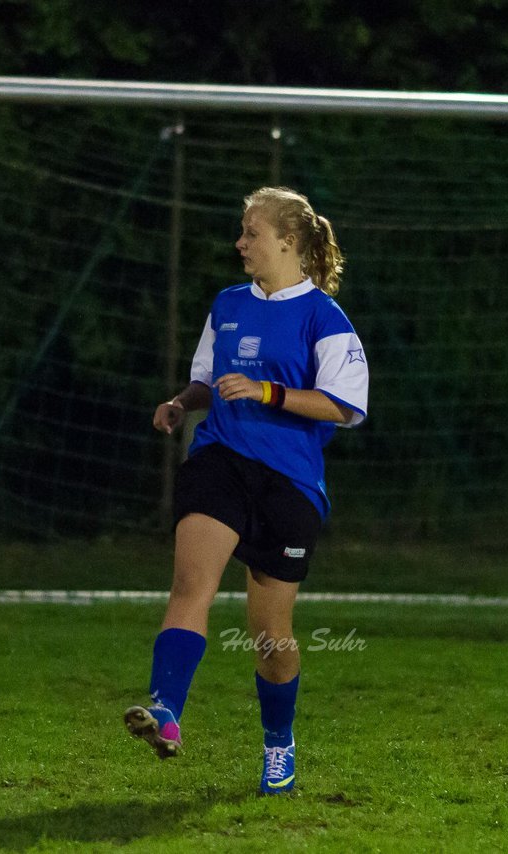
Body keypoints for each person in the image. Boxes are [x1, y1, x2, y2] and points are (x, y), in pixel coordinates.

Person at [123, 186, 369, 794]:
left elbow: (344, 406)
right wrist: (184, 402)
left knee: (269, 632)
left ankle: (279, 743)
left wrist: (268, 393)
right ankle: (167, 710)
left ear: (289, 241)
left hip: (288, 482)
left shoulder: (325, 319)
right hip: (221, 460)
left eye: (251, 233)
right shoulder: (228, 303)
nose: (240, 242)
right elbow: (208, 380)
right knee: (190, 587)